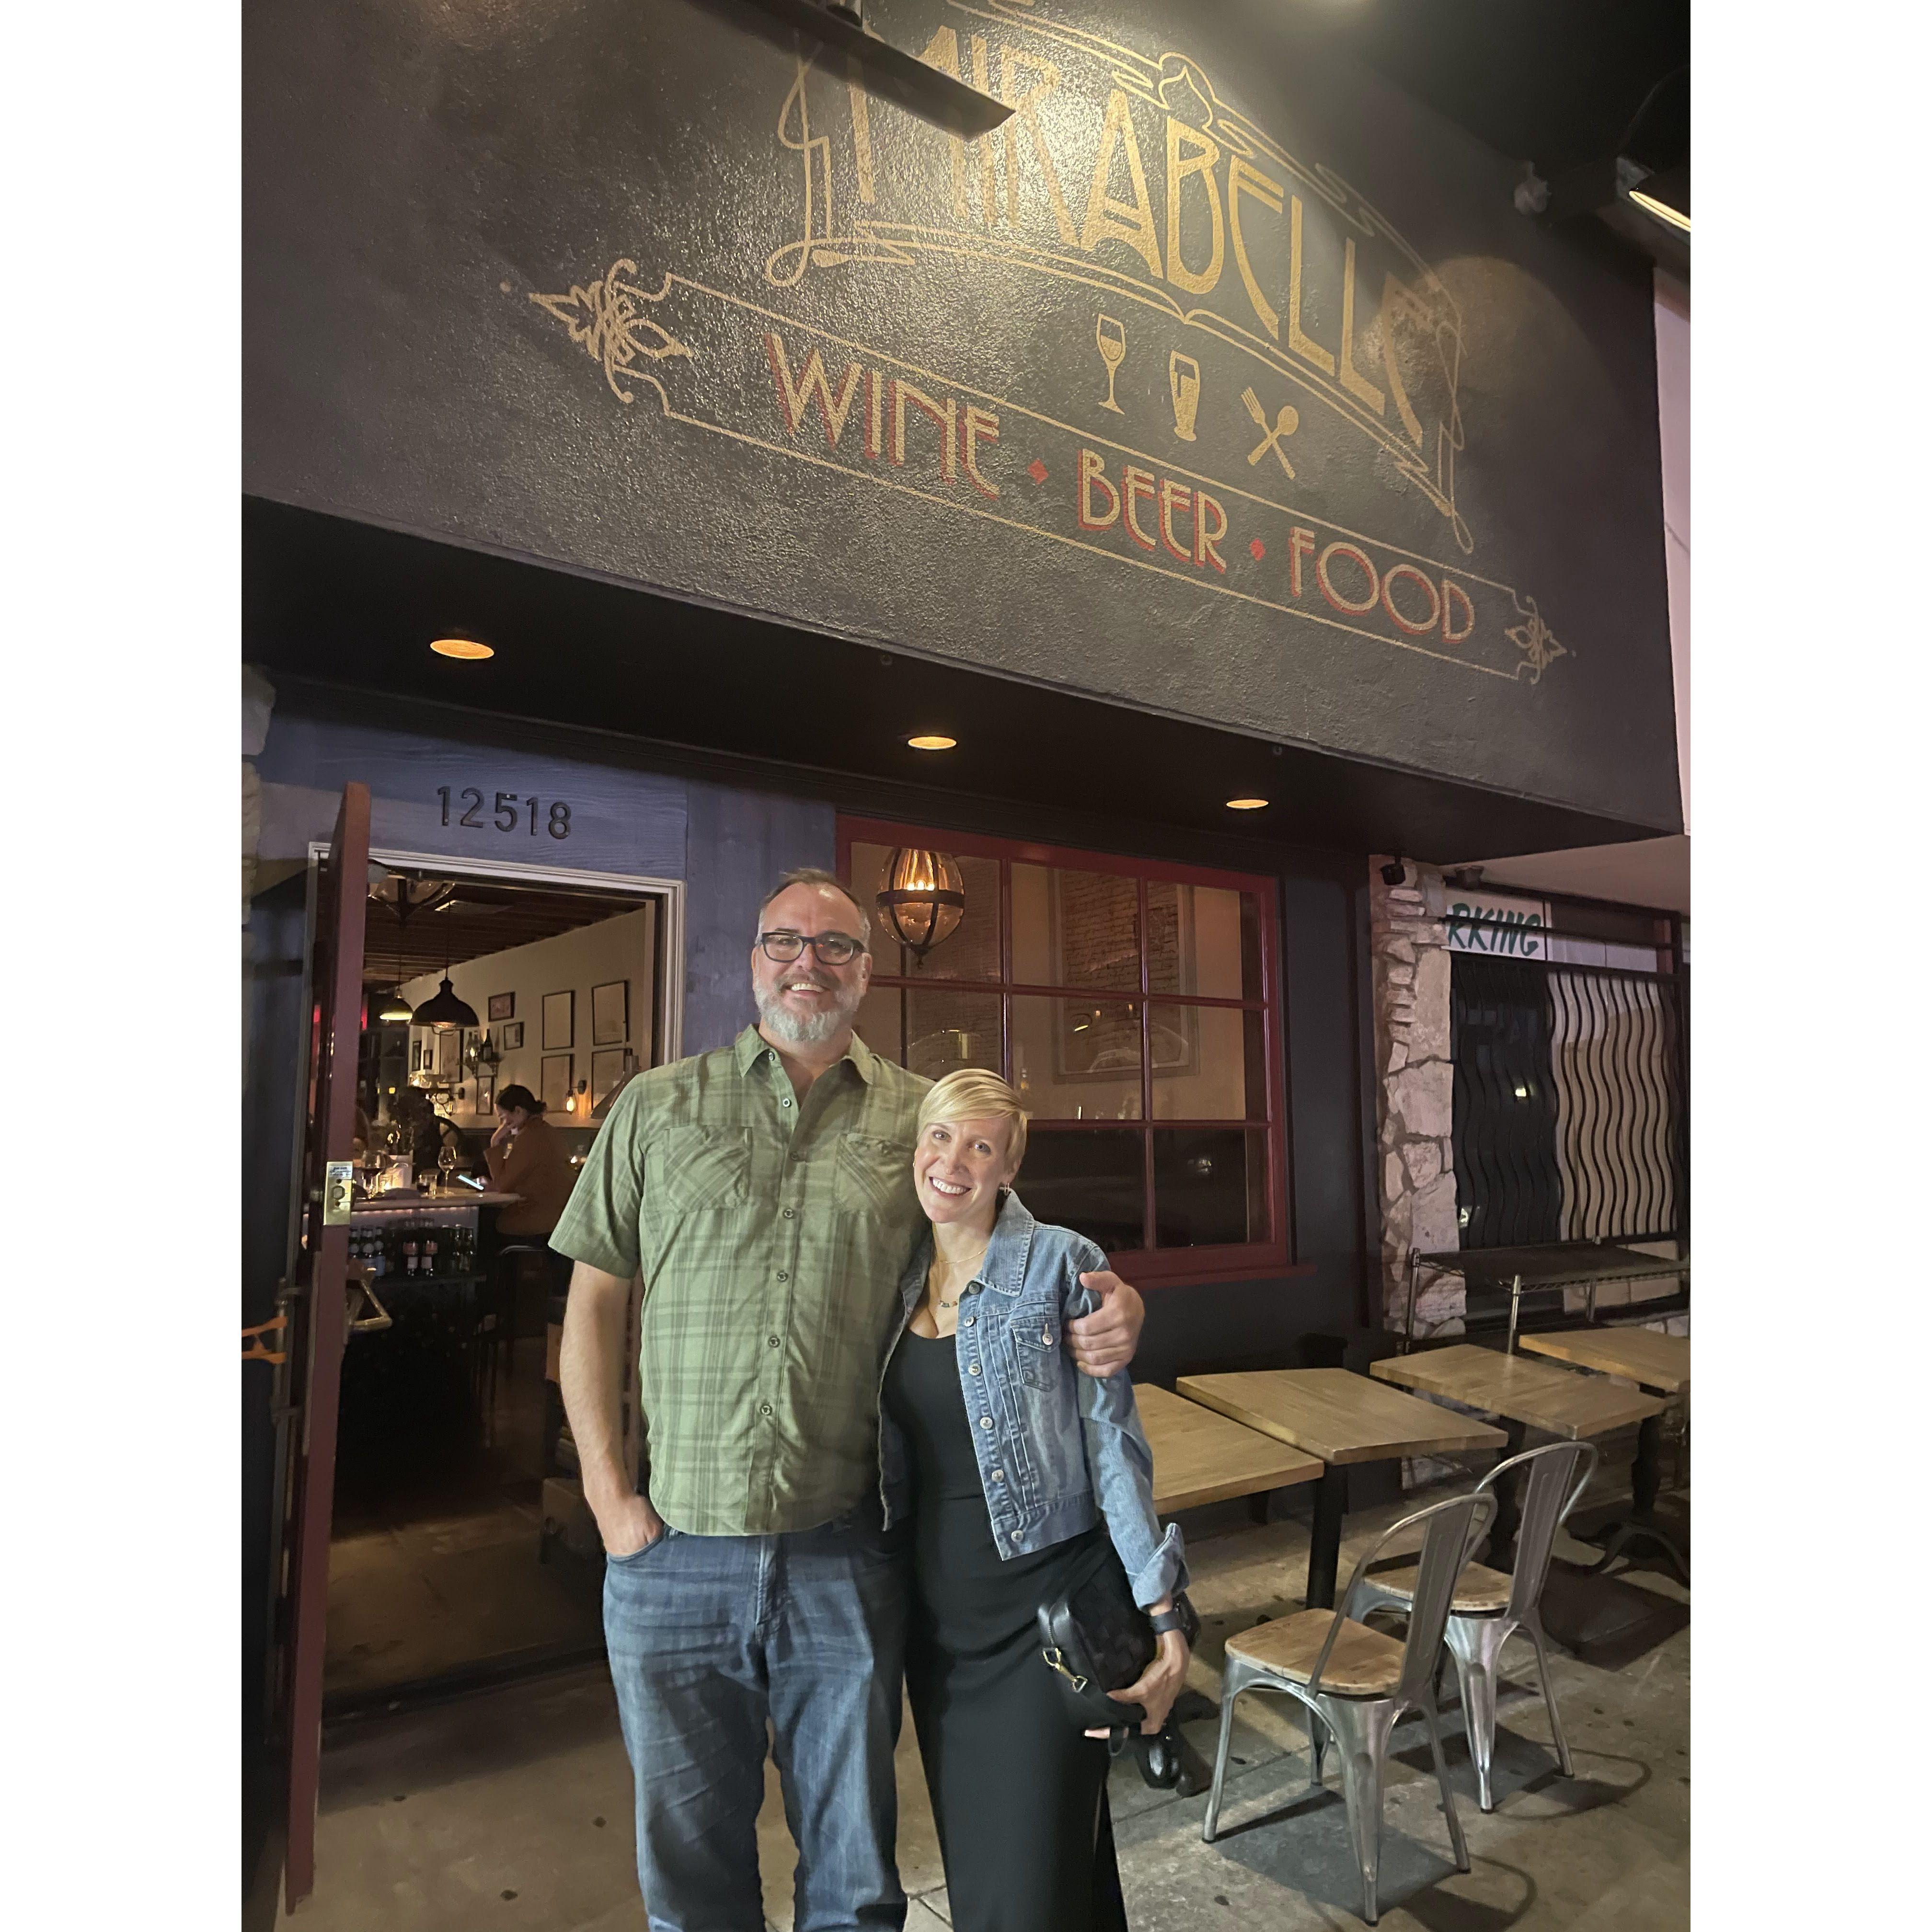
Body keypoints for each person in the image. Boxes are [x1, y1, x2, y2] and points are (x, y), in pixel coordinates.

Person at [552, 868, 1147, 1932]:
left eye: (834, 948)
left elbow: (1024, 1265)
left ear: (867, 972)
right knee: (689, 1876)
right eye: (786, 941)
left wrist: (1115, 1302)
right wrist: (611, 1502)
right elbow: (591, 1305)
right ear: (754, 961)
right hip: (672, 1552)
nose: (807, 964)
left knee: (854, 1875)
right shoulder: (656, 1106)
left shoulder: (924, 1118)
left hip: (846, 1554)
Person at [882, 1069, 1189, 1932]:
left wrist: (1164, 1615)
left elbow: (1114, 1444)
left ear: (1009, 1168)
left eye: (981, 1145)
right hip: (942, 1638)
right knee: (1031, 1882)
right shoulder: (899, 1273)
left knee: (1022, 1902)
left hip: (1045, 1626)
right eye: (941, 1137)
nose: (954, 1161)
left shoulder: (1063, 1261)